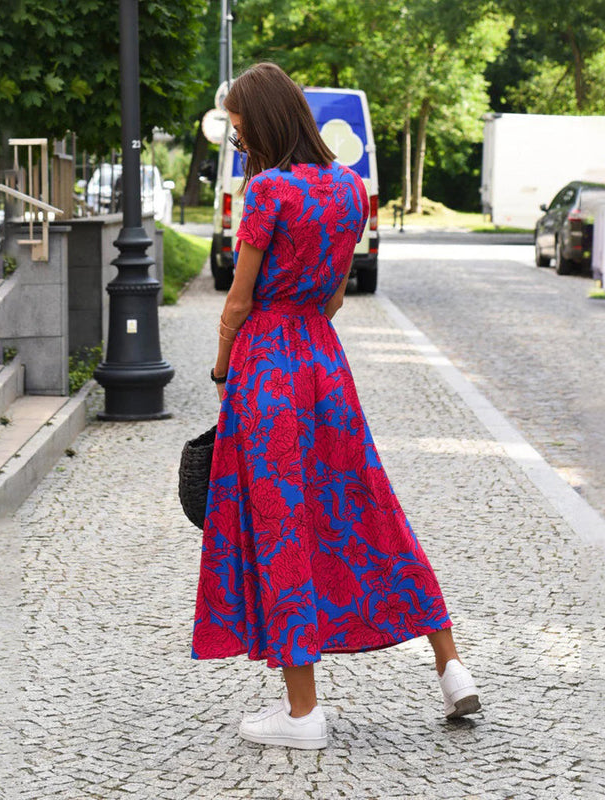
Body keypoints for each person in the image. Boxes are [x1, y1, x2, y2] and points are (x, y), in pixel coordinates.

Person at [192, 62, 480, 750]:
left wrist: (223, 362)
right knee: (369, 507)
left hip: (267, 368)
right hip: (324, 366)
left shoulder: (266, 192)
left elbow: (238, 297)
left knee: (282, 526)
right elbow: (333, 298)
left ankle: (303, 715)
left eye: (238, 127)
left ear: (261, 122)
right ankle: (451, 668)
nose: (236, 139)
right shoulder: (350, 187)